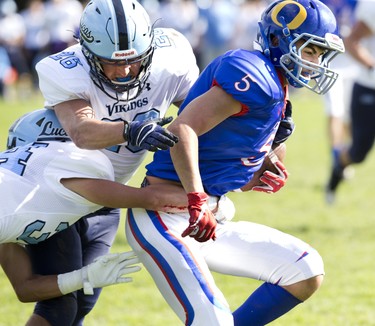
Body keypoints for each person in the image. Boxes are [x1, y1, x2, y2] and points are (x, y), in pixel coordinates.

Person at [125, 0, 345, 325]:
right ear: (276, 40)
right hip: (167, 215)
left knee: (305, 269)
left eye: (319, 54)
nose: (314, 62)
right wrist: (196, 198)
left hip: (209, 215)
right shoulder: (254, 76)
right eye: (309, 50)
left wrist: (257, 168)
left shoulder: (277, 88)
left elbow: (222, 154)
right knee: (212, 319)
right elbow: (183, 128)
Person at [32, 0, 199, 323]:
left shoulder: (172, 55)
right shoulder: (63, 68)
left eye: (134, 61)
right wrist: (130, 130)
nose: (123, 71)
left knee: (83, 301)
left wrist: (260, 131)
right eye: (110, 63)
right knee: (59, 304)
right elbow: (83, 132)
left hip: (108, 196)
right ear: (88, 53)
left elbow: (201, 114)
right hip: (58, 190)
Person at [326, 0, 375, 203]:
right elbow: (352, 41)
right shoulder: (371, 7)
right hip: (369, 86)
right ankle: (338, 167)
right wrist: (371, 66)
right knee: (358, 152)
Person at [321, 0, 359, 204]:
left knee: (349, 115)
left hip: (355, 60)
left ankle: (345, 156)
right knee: (335, 111)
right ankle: (337, 155)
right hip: (331, 61)